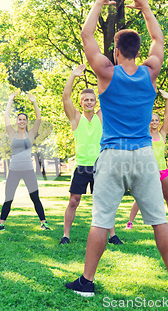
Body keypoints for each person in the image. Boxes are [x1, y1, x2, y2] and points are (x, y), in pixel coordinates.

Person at [65, 0, 168, 296]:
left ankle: (87, 283)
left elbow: (87, 36)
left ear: (117, 52)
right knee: (159, 220)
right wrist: (145, 7)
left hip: (112, 156)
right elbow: (159, 40)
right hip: (145, 156)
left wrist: (98, 2)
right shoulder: (150, 72)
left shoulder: (107, 72)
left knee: (101, 220)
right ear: (139, 51)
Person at [59, 64, 122, 245]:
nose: (89, 102)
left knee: (104, 201)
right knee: (73, 201)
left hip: (100, 165)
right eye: (86, 100)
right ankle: (66, 235)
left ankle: (112, 235)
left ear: (96, 102)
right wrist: (72, 75)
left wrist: (111, 76)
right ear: (81, 102)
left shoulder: (100, 117)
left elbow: (114, 99)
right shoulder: (76, 118)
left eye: (92, 100)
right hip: (81, 166)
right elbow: (65, 98)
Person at [126, 90, 168, 230]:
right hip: (147, 169)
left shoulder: (162, 133)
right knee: (140, 197)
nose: (155, 122)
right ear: (148, 121)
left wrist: (167, 100)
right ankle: (130, 222)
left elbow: (167, 116)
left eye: (156, 120)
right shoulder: (144, 134)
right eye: (152, 120)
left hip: (162, 169)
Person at [0, 91, 50, 231]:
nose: (22, 121)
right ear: (17, 121)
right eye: (19, 119)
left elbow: (39, 118)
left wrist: (34, 102)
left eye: (24, 119)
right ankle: (1, 223)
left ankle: (43, 223)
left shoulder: (31, 134)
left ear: (26, 122)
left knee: (35, 197)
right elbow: (6, 116)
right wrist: (10, 99)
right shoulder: (12, 134)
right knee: (9, 198)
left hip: (28, 170)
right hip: (14, 170)